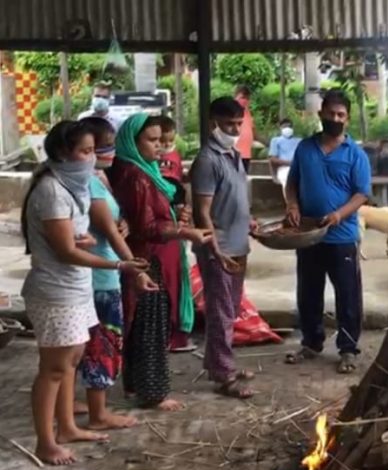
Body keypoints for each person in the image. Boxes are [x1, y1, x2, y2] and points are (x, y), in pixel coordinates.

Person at [20, 120, 151, 465]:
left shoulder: (69, 186)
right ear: (64, 152)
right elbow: (65, 251)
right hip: (55, 292)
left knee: (71, 361)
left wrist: (86, 241)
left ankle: (66, 427)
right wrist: (118, 266)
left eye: (94, 151)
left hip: (74, 288)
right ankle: (45, 442)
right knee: (53, 369)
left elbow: (73, 238)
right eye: (87, 151)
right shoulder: (50, 189)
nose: (93, 158)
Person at [107, 113, 213, 410]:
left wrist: (177, 217)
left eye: (160, 140)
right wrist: (185, 231)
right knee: (151, 325)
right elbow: (146, 227)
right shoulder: (135, 176)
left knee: (139, 323)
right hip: (145, 259)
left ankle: (134, 385)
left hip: (146, 257)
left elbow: (156, 214)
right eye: (151, 140)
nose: (159, 147)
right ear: (132, 140)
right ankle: (153, 392)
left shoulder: (144, 170)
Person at [284, 90, 371, 374]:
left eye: (341, 115)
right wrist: (293, 205)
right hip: (308, 234)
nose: (335, 119)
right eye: (331, 114)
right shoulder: (305, 148)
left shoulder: (355, 154)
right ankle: (311, 342)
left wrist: (338, 214)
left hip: (342, 237)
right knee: (308, 292)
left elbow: (361, 194)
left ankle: (348, 349)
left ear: (347, 119)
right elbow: (292, 182)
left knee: (348, 296)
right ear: (321, 114)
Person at [77, 117, 156, 430]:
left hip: (104, 270)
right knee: (102, 343)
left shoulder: (100, 178)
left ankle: (89, 405)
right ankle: (99, 414)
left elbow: (113, 222)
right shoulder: (92, 182)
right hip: (101, 274)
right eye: (101, 146)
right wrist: (134, 267)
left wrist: (123, 222)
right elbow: (109, 232)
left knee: (90, 344)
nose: (110, 152)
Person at [191, 97, 258, 398]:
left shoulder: (232, 154)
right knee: (220, 310)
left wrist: (250, 221)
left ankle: (219, 362)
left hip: (238, 243)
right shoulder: (208, 160)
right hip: (220, 247)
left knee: (230, 308)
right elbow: (202, 210)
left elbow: (234, 198)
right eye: (228, 123)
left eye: (238, 124)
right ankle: (223, 374)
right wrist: (214, 248)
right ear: (212, 123)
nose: (233, 129)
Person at [233, 85, 268, 173]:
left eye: (247, 98)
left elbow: (253, 131)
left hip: (246, 154)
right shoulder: (230, 111)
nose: (245, 101)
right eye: (242, 97)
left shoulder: (247, 112)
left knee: (243, 178)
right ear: (235, 96)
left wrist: (266, 142)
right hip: (234, 153)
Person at [268, 118, 301, 196]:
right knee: (288, 185)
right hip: (284, 169)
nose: (287, 128)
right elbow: (272, 159)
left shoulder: (299, 141)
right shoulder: (276, 141)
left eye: (289, 126)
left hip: (298, 168)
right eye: (284, 127)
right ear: (280, 128)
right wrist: (274, 176)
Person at [158, 116, 184, 183]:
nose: (167, 144)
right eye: (162, 141)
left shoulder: (175, 155)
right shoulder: (155, 157)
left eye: (171, 140)